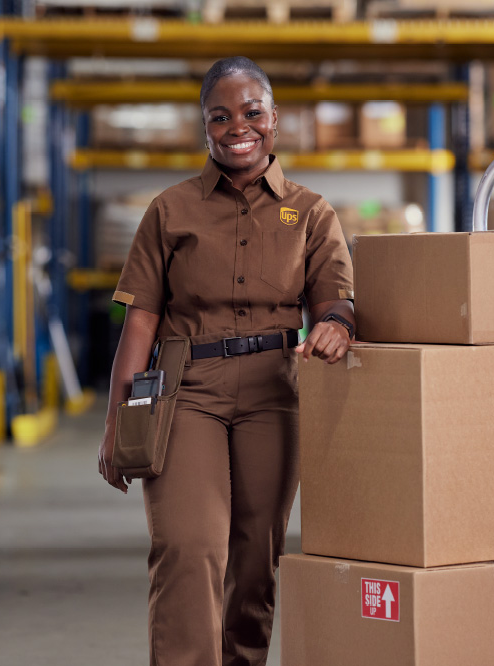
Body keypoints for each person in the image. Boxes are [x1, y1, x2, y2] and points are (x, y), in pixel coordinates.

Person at [97, 56, 356, 666]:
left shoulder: (311, 212)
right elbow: (140, 321)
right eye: (221, 116)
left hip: (275, 390)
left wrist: (336, 328)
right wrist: (118, 422)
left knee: (254, 557)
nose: (238, 126)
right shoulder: (170, 211)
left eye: (251, 112)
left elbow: (336, 302)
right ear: (204, 128)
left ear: (275, 119)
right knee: (189, 547)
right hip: (186, 391)